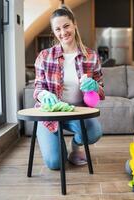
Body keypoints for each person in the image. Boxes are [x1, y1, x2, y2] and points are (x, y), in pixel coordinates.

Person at [33, 5, 104, 169]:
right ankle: (58, 147)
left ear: (74, 25)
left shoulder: (91, 56)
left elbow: (100, 90)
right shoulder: (45, 56)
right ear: (54, 31)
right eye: (57, 29)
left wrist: (95, 87)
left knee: (94, 133)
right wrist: (43, 95)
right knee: (55, 163)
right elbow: (37, 88)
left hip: (77, 111)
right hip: (50, 113)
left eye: (66, 26)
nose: (63, 32)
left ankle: (75, 146)